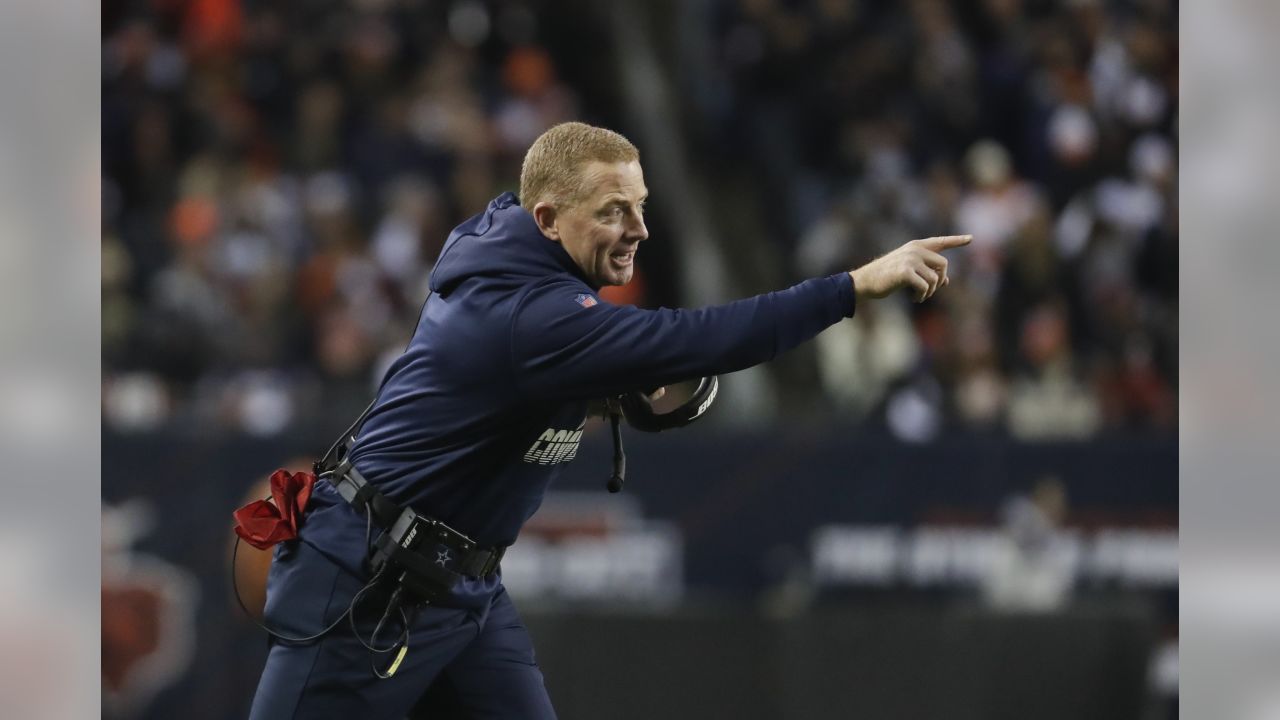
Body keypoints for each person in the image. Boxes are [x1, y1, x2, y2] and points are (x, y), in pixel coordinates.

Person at [247, 122, 970, 719]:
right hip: (370, 582)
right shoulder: (535, 317)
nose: (640, 229)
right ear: (548, 221)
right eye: (613, 210)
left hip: (460, 584)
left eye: (641, 204)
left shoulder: (515, 247)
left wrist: (597, 384)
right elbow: (697, 340)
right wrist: (850, 287)